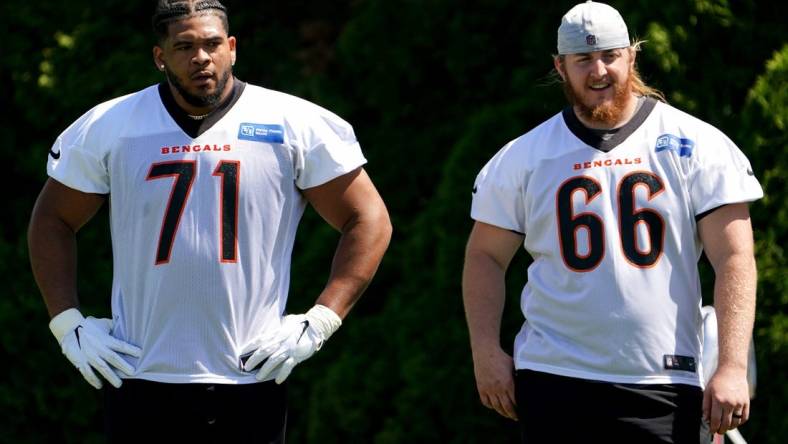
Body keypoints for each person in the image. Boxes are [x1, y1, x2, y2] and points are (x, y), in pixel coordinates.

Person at [27, 0, 391, 442]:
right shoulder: (111, 124)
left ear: (232, 48)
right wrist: (67, 325)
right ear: (160, 56)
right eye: (184, 46)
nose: (202, 57)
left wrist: (322, 318)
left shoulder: (293, 122)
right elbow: (52, 220)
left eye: (213, 44)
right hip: (140, 374)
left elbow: (368, 217)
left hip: (250, 374)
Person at [462, 1, 762, 442]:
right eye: (583, 60)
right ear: (560, 67)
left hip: (663, 379)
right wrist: (485, 352)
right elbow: (484, 256)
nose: (598, 71)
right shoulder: (523, 157)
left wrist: (732, 366)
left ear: (631, 56)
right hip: (554, 376)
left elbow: (735, 257)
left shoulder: (696, 145)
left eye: (609, 56)